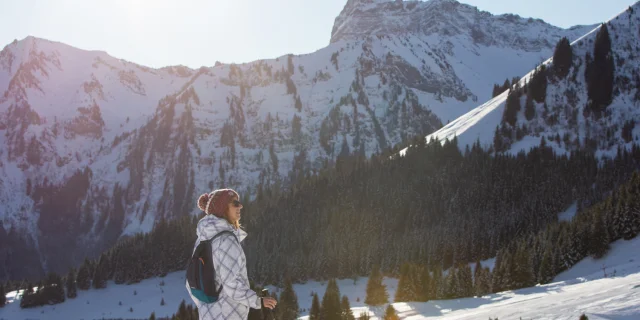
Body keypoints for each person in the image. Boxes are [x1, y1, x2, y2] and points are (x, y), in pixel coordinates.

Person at [186, 188, 277, 319]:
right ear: (222, 208)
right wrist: (258, 301)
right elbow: (232, 284)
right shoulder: (226, 240)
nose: (240, 206)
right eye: (235, 203)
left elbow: (191, 283)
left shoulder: (203, 238)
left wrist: (206, 305)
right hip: (228, 314)